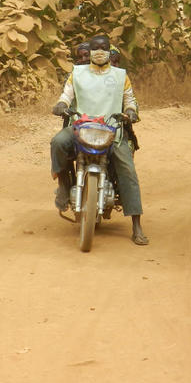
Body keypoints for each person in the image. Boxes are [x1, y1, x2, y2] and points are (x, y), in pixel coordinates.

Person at [50, 34, 148, 245]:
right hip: (80, 127)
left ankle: (136, 225)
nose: (100, 51)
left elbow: (130, 100)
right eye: (96, 48)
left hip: (112, 131)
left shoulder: (121, 75)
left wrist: (130, 112)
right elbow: (67, 94)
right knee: (57, 142)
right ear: (91, 51)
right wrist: (61, 105)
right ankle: (64, 185)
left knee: (128, 171)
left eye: (104, 47)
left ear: (109, 50)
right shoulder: (77, 73)